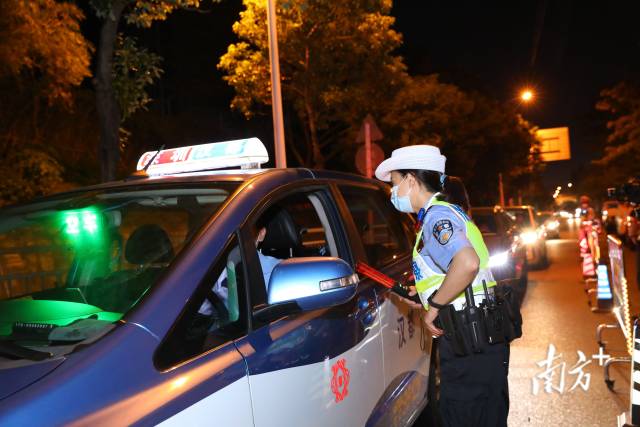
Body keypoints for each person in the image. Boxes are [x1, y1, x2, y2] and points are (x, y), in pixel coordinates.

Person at [375, 145, 510, 427]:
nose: (393, 192)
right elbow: (452, 272)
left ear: (411, 180)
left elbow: (467, 263)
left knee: (464, 417)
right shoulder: (445, 212)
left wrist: (433, 307)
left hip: (469, 339)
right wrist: (424, 295)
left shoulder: (437, 217)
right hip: (479, 335)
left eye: (395, 183)